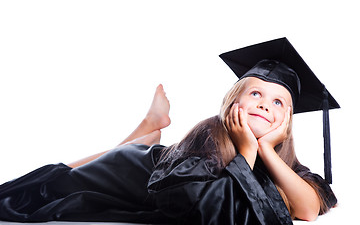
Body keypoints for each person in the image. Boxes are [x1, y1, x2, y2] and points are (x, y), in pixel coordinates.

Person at [0, 38, 338, 225]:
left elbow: (306, 209)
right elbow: (204, 208)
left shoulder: (280, 160)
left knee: (86, 168)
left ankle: (148, 130)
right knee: (60, 180)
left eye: (279, 103)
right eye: (255, 94)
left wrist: (265, 150)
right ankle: (146, 134)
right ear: (232, 102)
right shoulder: (211, 133)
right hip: (132, 168)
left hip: (156, 164)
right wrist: (247, 150)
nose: (266, 105)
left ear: (288, 122)